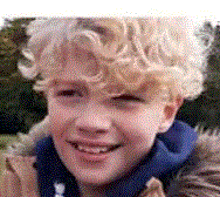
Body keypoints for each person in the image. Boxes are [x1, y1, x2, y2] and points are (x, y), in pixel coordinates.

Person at [1, 17, 220, 197]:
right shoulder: (15, 185)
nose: (91, 122)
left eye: (124, 98)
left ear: (166, 112)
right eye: (70, 93)